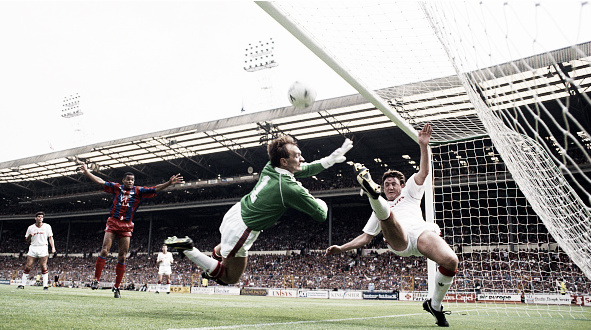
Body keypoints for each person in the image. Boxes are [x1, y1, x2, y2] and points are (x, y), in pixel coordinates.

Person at [165, 135, 353, 285]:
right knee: (230, 278)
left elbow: (305, 168)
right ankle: (189, 249)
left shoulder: (271, 166)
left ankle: (213, 259)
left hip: (236, 212)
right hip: (242, 230)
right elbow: (321, 214)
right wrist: (322, 202)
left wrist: (330, 160)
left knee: (224, 251)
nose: (301, 158)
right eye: (296, 156)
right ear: (284, 162)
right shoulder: (288, 187)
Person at [325, 124, 458, 327]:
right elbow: (366, 237)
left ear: (402, 185)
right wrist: (341, 248)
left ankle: (435, 305)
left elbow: (423, 172)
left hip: (420, 232)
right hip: (399, 240)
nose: (390, 186)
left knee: (450, 261)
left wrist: (423, 146)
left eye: (393, 183)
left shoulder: (410, 192)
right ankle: (372, 195)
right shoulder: (382, 207)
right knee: (386, 216)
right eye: (386, 184)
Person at [79, 163, 183, 298]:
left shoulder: (138, 191)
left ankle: (116, 287)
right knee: (105, 250)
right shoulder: (117, 188)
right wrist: (87, 172)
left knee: (122, 256)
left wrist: (169, 183)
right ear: (123, 180)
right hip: (113, 222)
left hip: (127, 225)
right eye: (128, 179)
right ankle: (96, 279)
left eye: (132, 180)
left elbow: (154, 189)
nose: (130, 181)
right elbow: (100, 182)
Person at [18, 211, 56, 290]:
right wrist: (30, 235)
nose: (40, 218)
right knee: (28, 265)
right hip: (33, 247)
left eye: (41, 217)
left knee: (43, 266)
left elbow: (50, 237)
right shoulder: (31, 227)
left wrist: (53, 247)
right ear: (35, 218)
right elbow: (27, 240)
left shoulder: (47, 226)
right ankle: (22, 284)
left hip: (43, 247)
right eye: (39, 216)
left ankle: (45, 285)